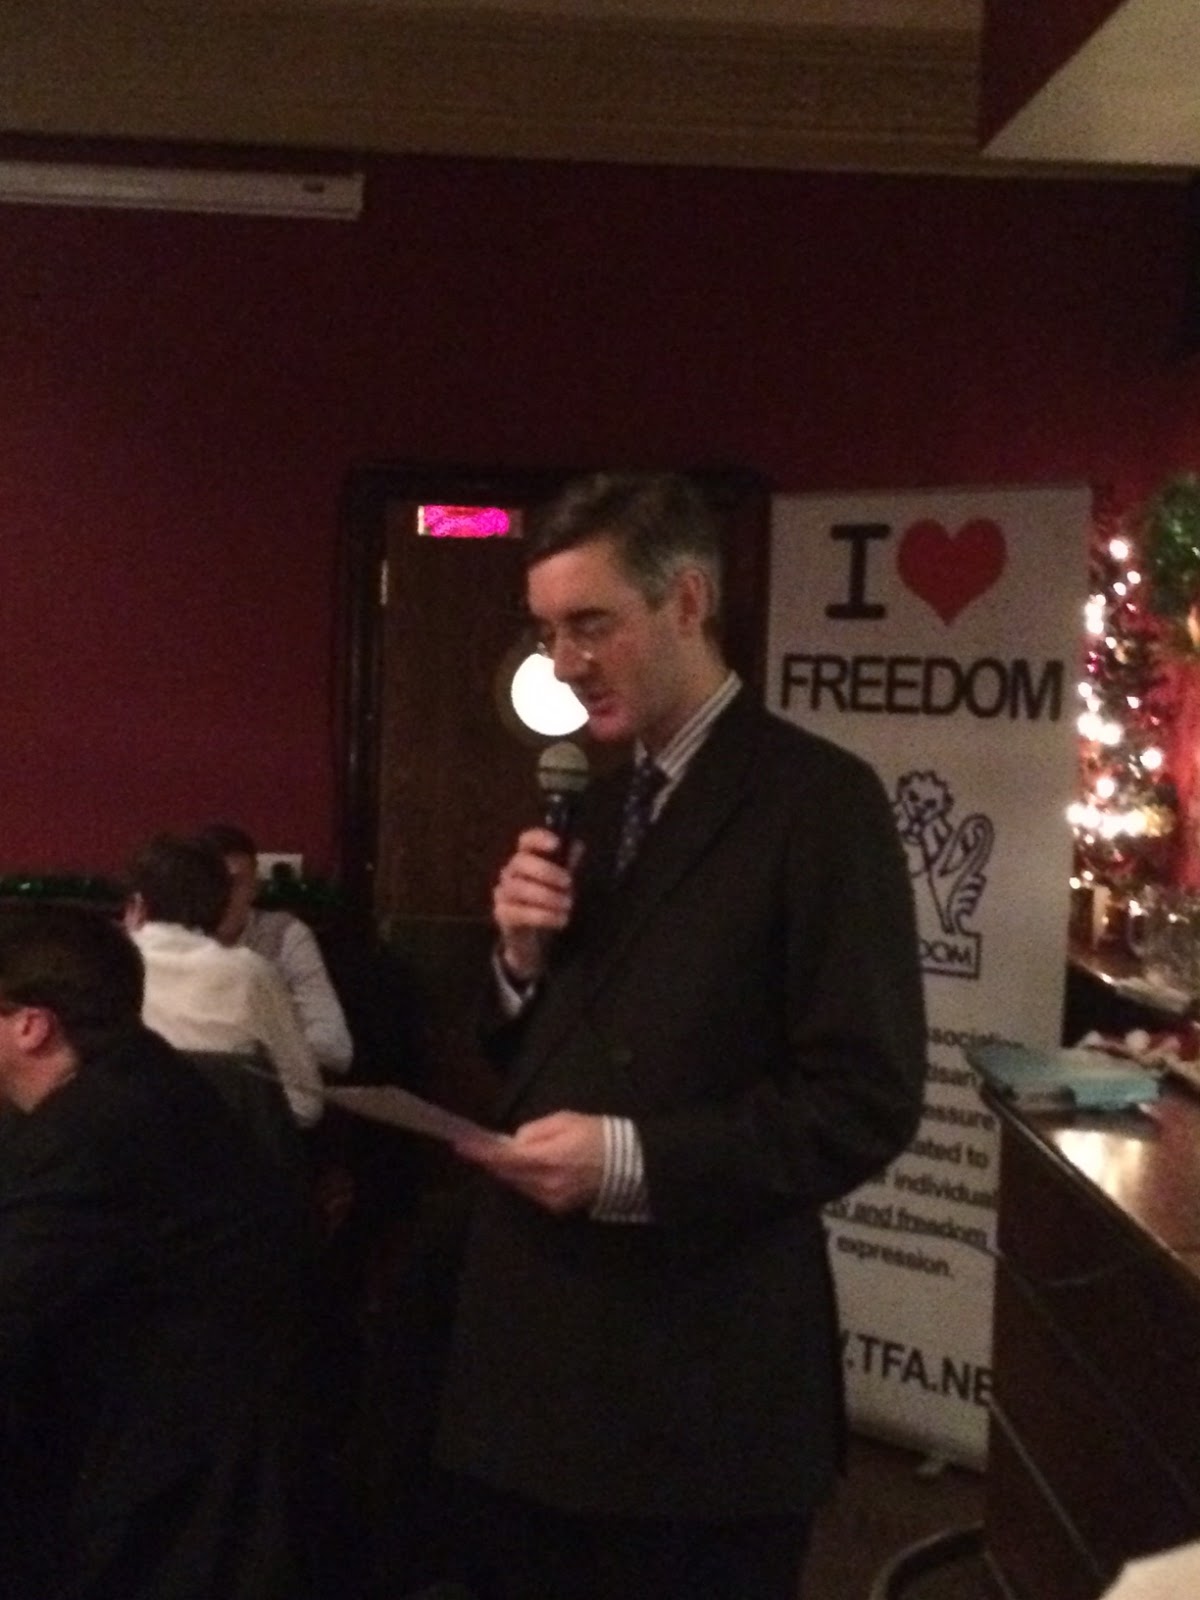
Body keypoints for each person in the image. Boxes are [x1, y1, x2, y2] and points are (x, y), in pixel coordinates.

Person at [435, 471, 928, 1600]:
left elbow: (865, 1101)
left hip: (697, 1394)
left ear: (689, 601)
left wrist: (630, 1161)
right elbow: (534, 1051)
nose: (564, 662)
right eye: (549, 631)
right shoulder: (601, 804)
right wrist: (517, 965)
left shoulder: (819, 802)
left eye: (591, 623)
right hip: (536, 1373)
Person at [0, 904, 315, 1599]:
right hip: (193, 1448)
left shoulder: (93, 1132)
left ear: (31, 1025)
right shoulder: (139, 1075)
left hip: (159, 1497)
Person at [124, 833, 324, 1127]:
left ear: (137, 905)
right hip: (228, 1150)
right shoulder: (249, 973)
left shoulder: (104, 966)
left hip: (121, 1149)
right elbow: (306, 1103)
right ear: (221, 905)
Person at [197, 822, 354, 1076]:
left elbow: (334, 1046)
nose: (223, 896)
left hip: (271, 1084)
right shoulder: (174, 940)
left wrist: (254, 1052)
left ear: (254, 887)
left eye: (235, 883)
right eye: (211, 884)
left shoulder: (285, 935)